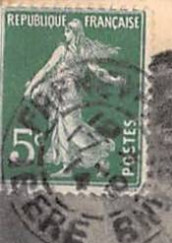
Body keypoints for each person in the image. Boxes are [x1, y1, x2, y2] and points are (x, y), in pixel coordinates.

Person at [23, 20, 125, 176]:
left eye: (68, 30)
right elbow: (48, 69)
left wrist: (112, 80)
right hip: (63, 91)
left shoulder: (69, 50)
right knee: (65, 126)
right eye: (65, 29)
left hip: (68, 92)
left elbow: (96, 70)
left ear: (75, 33)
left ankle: (98, 153)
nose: (65, 33)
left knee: (71, 128)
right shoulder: (70, 50)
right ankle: (77, 161)